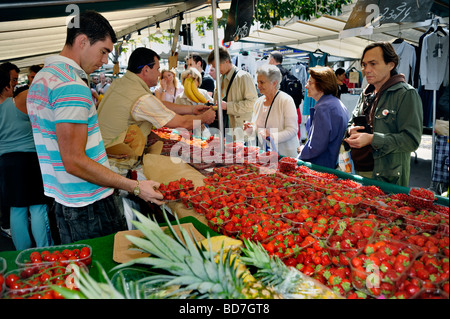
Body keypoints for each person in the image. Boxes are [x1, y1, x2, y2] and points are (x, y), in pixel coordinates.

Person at [26, 10, 164, 244]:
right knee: (110, 271)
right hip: (90, 205)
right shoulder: (71, 85)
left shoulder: (42, 79)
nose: (104, 61)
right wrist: (136, 187)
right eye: (103, 51)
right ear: (82, 41)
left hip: (64, 199)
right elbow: (74, 161)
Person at [97, 47, 216, 146]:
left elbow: (159, 105)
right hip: (115, 160)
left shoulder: (121, 83)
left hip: (104, 149)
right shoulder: (141, 97)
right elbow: (182, 122)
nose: (159, 74)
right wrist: (204, 118)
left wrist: (192, 109)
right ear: (146, 70)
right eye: (157, 69)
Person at [344, 42, 423, 187]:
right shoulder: (366, 93)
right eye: (364, 64)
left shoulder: (406, 94)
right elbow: (351, 122)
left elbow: (411, 140)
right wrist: (350, 130)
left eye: (373, 64)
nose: (366, 69)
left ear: (390, 65)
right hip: (358, 171)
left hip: (386, 177)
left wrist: (372, 139)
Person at [0, 66, 53, 250]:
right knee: (37, 207)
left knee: (16, 208)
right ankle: (43, 248)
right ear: (6, 84)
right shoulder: (18, 101)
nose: (15, 84)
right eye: (13, 80)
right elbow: (43, 88)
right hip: (29, 160)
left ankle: (21, 252)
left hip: (6, 163)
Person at [244, 64, 299, 158]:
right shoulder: (258, 102)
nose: (258, 86)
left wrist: (272, 136)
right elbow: (256, 128)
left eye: (262, 82)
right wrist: (249, 129)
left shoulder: (286, 100)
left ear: (274, 83)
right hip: (265, 156)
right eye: (257, 82)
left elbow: (292, 130)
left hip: (285, 156)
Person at [299, 66, 349, 169]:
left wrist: (298, 158)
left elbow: (316, 147)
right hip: (332, 163)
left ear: (322, 85)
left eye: (310, 82)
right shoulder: (335, 103)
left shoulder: (324, 108)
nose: (306, 86)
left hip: (321, 167)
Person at [207, 46, 258, 137]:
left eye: (218, 66)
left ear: (227, 61)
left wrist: (228, 106)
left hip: (241, 132)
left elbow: (253, 103)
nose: (217, 70)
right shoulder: (220, 79)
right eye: (214, 67)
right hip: (224, 130)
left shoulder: (243, 77)